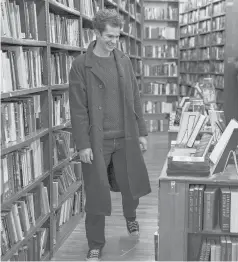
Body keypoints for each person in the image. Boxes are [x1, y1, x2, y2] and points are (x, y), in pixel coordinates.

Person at [68, 9, 151, 261]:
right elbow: (78, 110)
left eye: (117, 36)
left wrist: (143, 132)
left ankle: (131, 217)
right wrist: (83, 144)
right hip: (97, 141)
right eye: (109, 36)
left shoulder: (123, 59)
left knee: (131, 184)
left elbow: (135, 98)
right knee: (96, 193)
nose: (114, 41)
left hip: (125, 136)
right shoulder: (81, 65)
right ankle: (95, 243)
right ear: (96, 33)